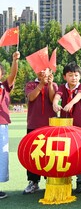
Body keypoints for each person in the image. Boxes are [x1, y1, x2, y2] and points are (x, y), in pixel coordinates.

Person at [52, 62, 81, 193]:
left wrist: (70, 103)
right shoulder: (62, 87)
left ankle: (80, 181)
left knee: (80, 153)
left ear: (80, 76)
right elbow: (57, 95)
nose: (74, 78)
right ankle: (66, 178)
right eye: (70, 75)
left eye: (76, 75)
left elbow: (78, 96)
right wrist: (55, 103)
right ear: (64, 76)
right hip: (65, 127)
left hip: (79, 126)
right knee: (66, 152)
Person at [23, 68, 57, 194]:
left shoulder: (53, 85)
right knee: (33, 154)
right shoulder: (31, 84)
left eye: (45, 70)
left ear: (50, 72)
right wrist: (42, 84)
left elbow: (53, 99)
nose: (42, 72)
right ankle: (33, 181)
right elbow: (31, 98)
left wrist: (50, 84)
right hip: (34, 125)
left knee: (50, 153)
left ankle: (50, 180)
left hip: (50, 125)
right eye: (40, 70)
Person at [0, 51, 20, 199]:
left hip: (1, 124)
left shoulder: (5, 86)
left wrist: (15, 60)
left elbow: (13, 74)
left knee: (1, 155)